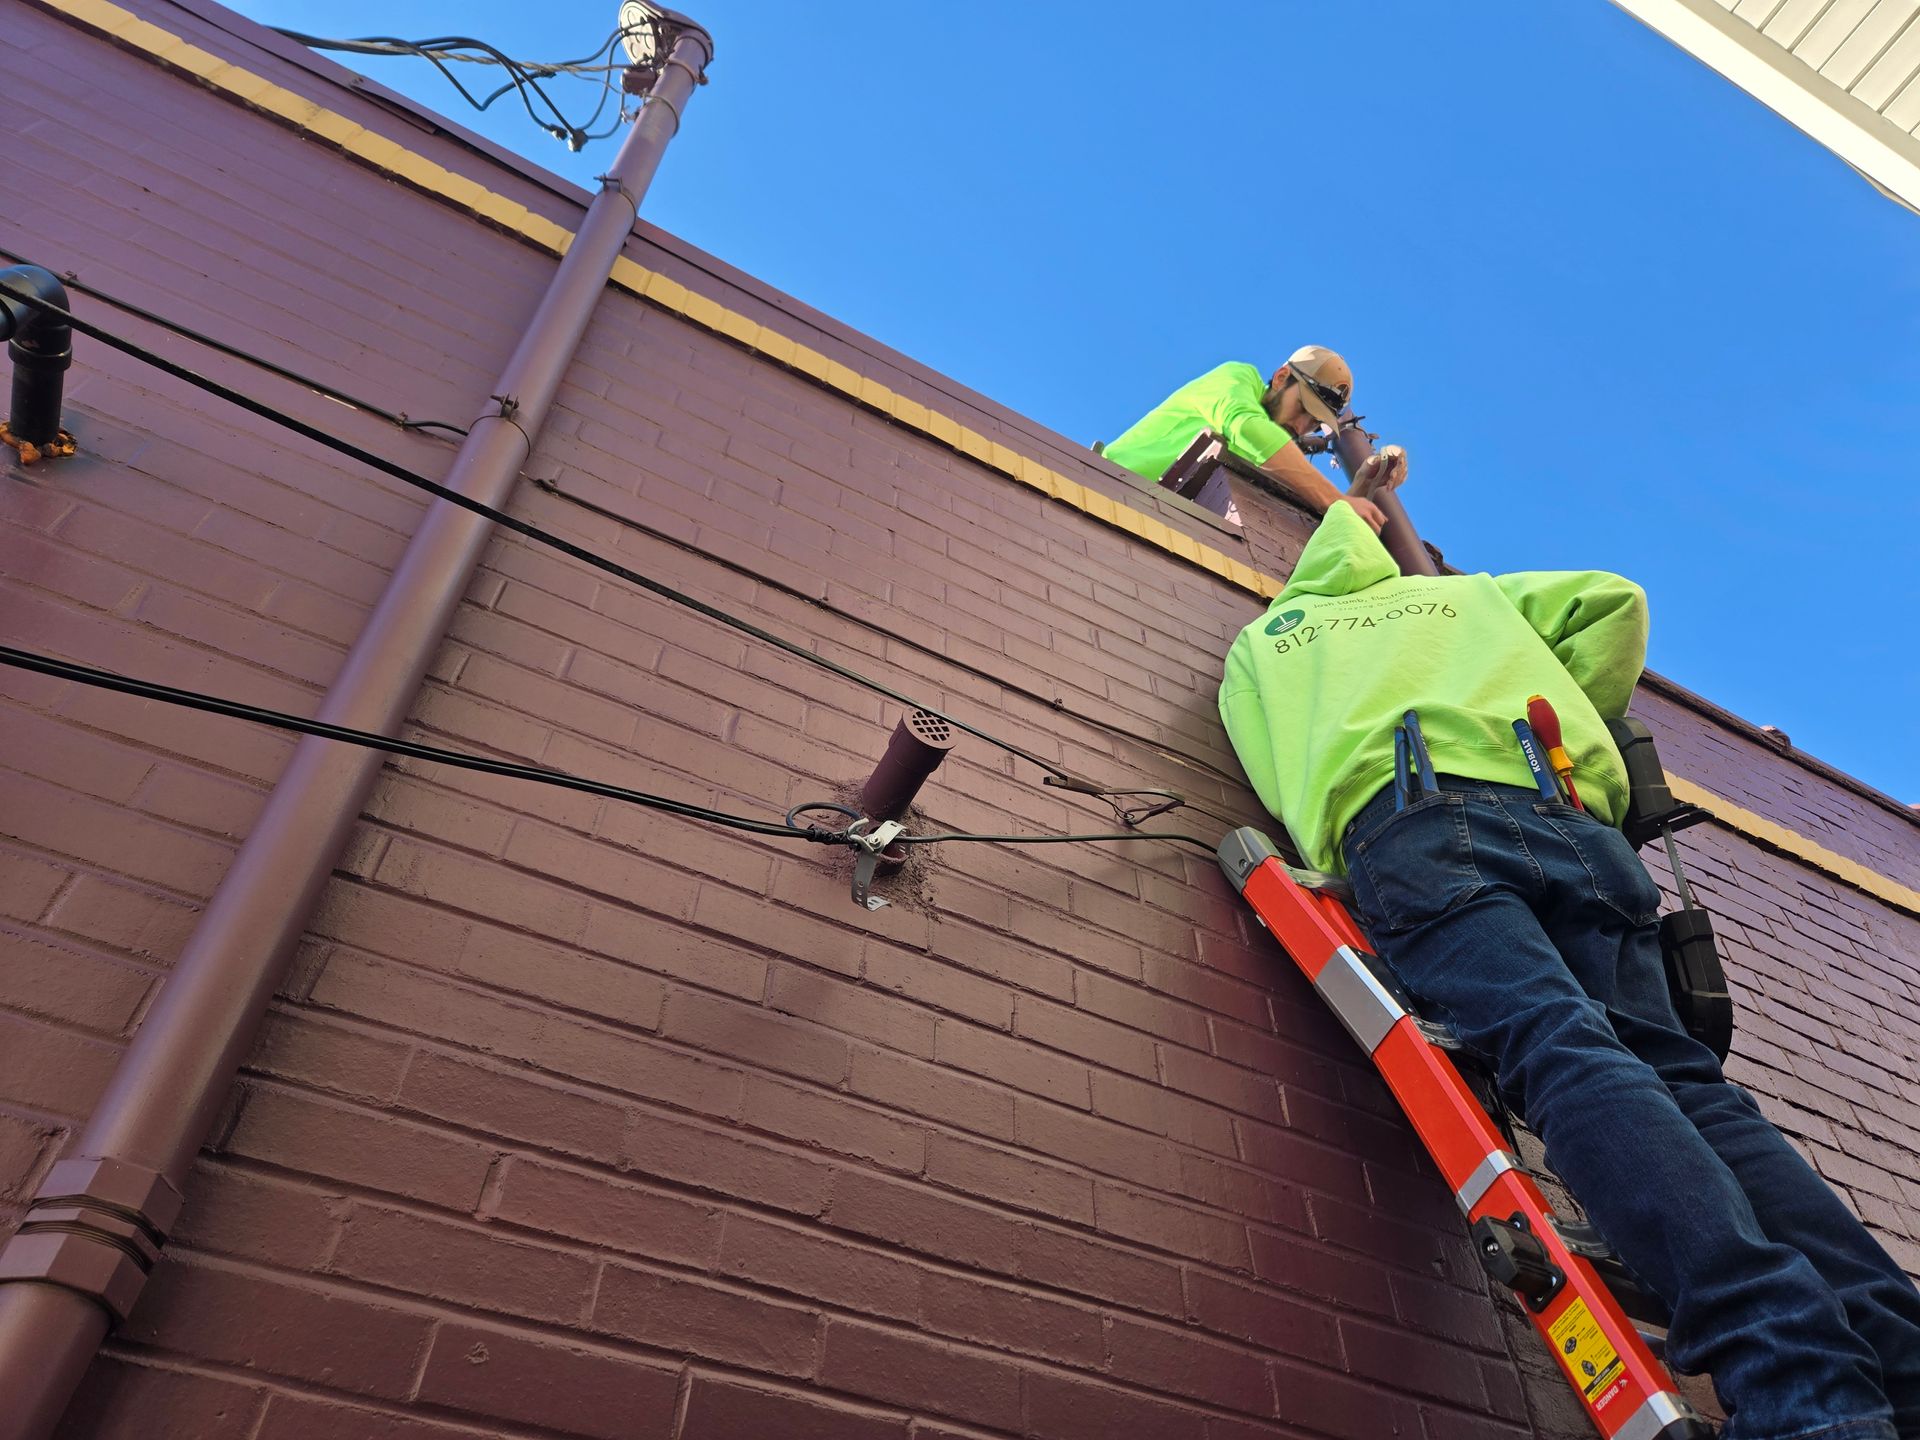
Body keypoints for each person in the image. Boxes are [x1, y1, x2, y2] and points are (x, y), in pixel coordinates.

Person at [1218, 499, 1920, 1440]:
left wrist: (1349, 849)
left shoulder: (1265, 641)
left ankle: (1787, 1361)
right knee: (1689, 1083)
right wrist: (1573, 723)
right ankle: (1900, 1362)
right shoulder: (1468, 598)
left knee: (1559, 1047)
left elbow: (1275, 768)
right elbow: (1615, 601)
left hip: (1413, 823)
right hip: (1572, 822)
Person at [1101, 346, 1405, 532]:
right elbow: (1247, 427)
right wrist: (1337, 500)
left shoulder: (1272, 459)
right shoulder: (1238, 378)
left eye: (1315, 422)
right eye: (1303, 408)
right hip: (1105, 488)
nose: (1302, 427)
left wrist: (1365, 483)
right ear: (1282, 377)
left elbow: (1322, 521)